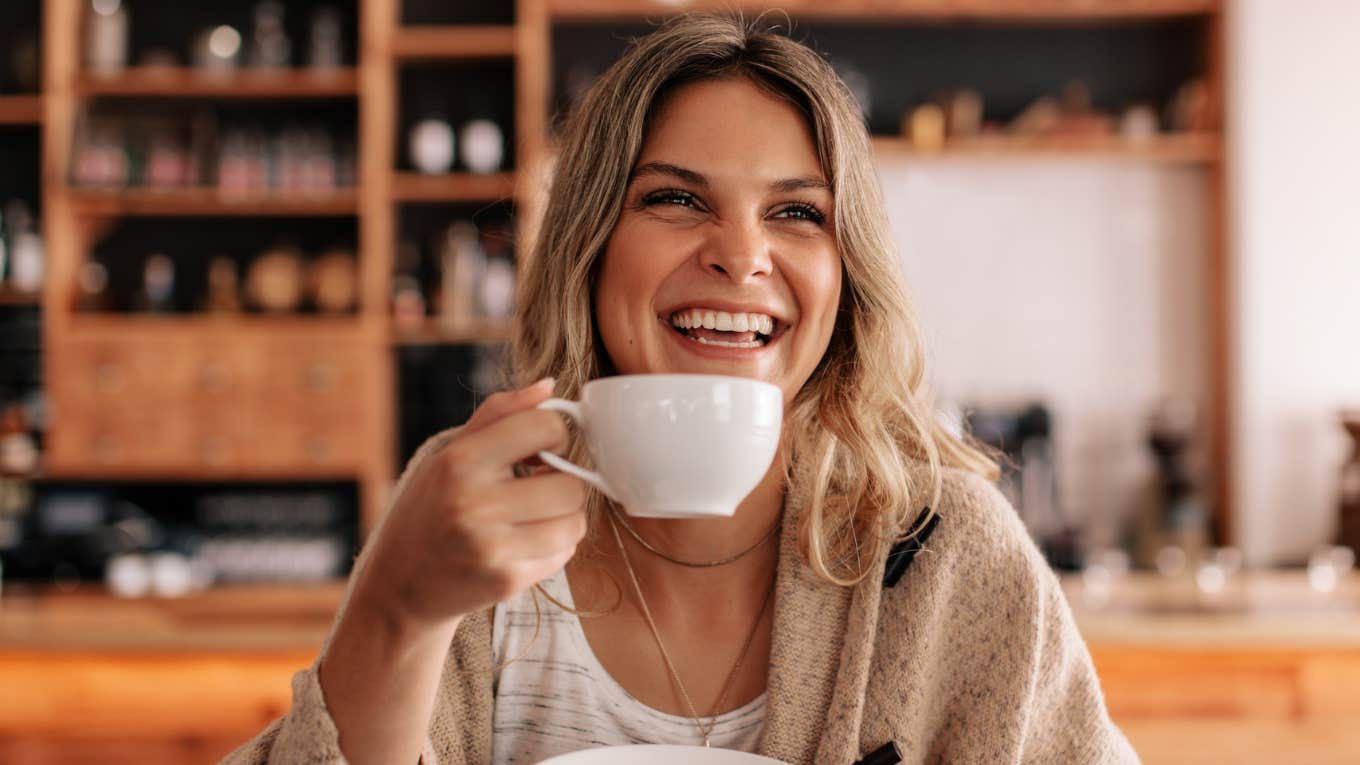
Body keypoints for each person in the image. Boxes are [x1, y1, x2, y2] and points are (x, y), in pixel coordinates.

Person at [224, 14, 1138, 765]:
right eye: (675, 199)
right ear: (590, 246)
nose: (742, 255)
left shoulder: (943, 552)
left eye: (796, 212)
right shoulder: (477, 537)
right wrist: (394, 608)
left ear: (846, 276)